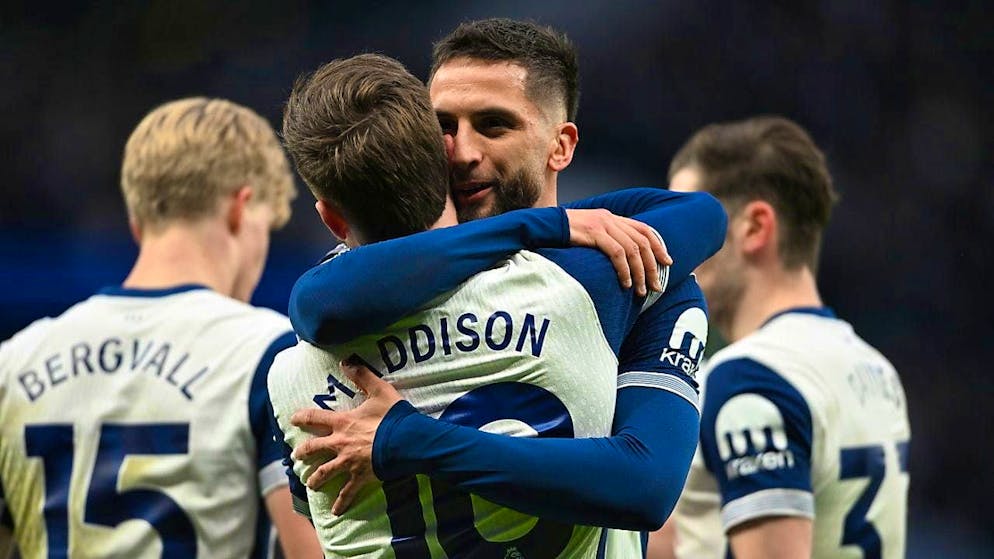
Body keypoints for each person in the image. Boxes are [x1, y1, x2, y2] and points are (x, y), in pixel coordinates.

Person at [280, 19, 726, 558]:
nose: (463, 152)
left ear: (560, 146)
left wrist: (416, 441)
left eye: (493, 126)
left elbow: (648, 485)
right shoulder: (606, 282)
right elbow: (701, 214)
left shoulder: (634, 270)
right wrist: (543, 226)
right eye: (443, 126)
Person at [0, 98, 321, 558]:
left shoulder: (15, 361)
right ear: (240, 208)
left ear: (136, 222)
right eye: (265, 230)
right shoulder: (265, 353)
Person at [648, 116, 910, 559]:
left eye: (694, 222)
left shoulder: (749, 378)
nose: (677, 249)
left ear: (754, 227)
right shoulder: (876, 370)